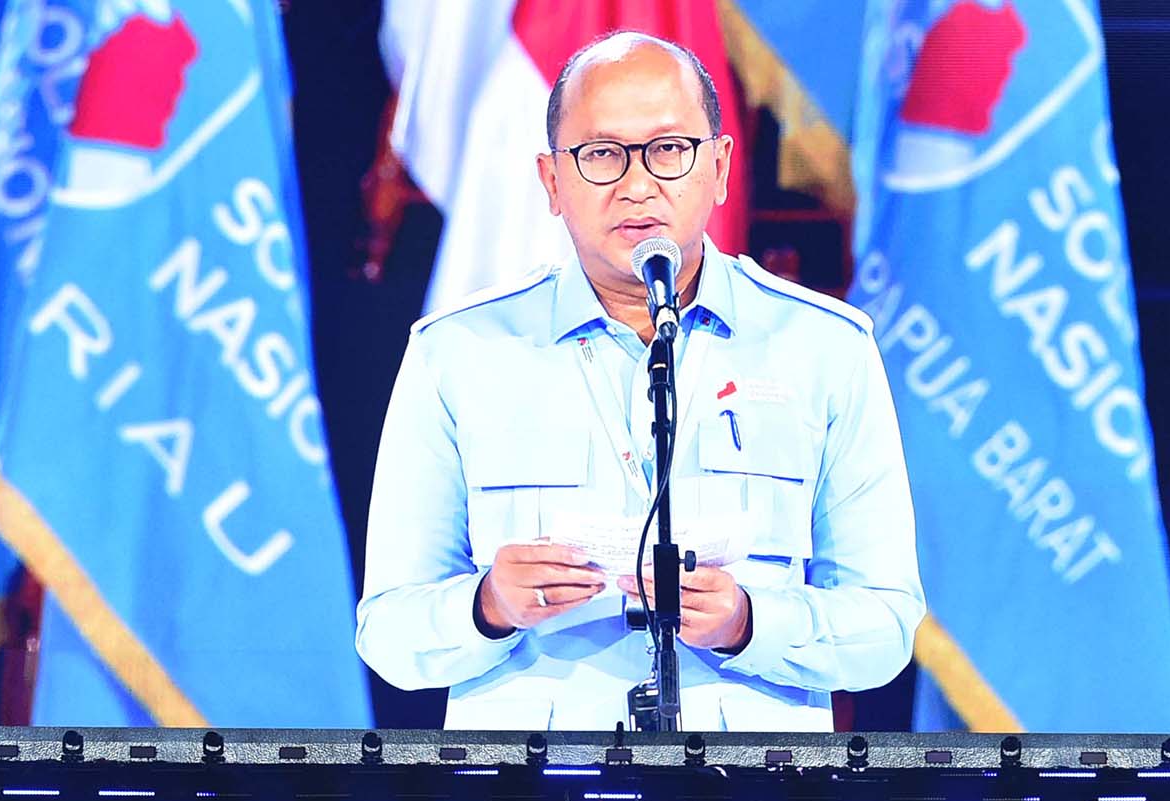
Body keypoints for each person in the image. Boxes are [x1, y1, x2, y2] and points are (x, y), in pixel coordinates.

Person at [355, 31, 925, 730]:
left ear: (718, 167)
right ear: (552, 181)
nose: (637, 183)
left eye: (669, 150)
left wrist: (750, 622)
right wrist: (488, 605)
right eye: (601, 154)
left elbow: (887, 626)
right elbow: (388, 631)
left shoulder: (825, 349)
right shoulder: (459, 353)